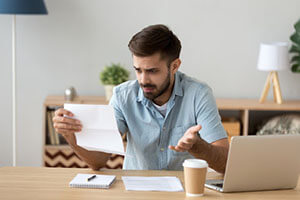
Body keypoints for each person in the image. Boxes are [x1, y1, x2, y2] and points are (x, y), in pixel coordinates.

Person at [53, 24, 229, 173]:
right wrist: (71, 137)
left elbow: (225, 163)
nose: (143, 80)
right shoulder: (123, 96)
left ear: (174, 66)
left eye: (152, 71)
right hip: (136, 192)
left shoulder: (198, 94)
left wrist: (198, 146)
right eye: (138, 70)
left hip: (184, 192)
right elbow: (99, 161)